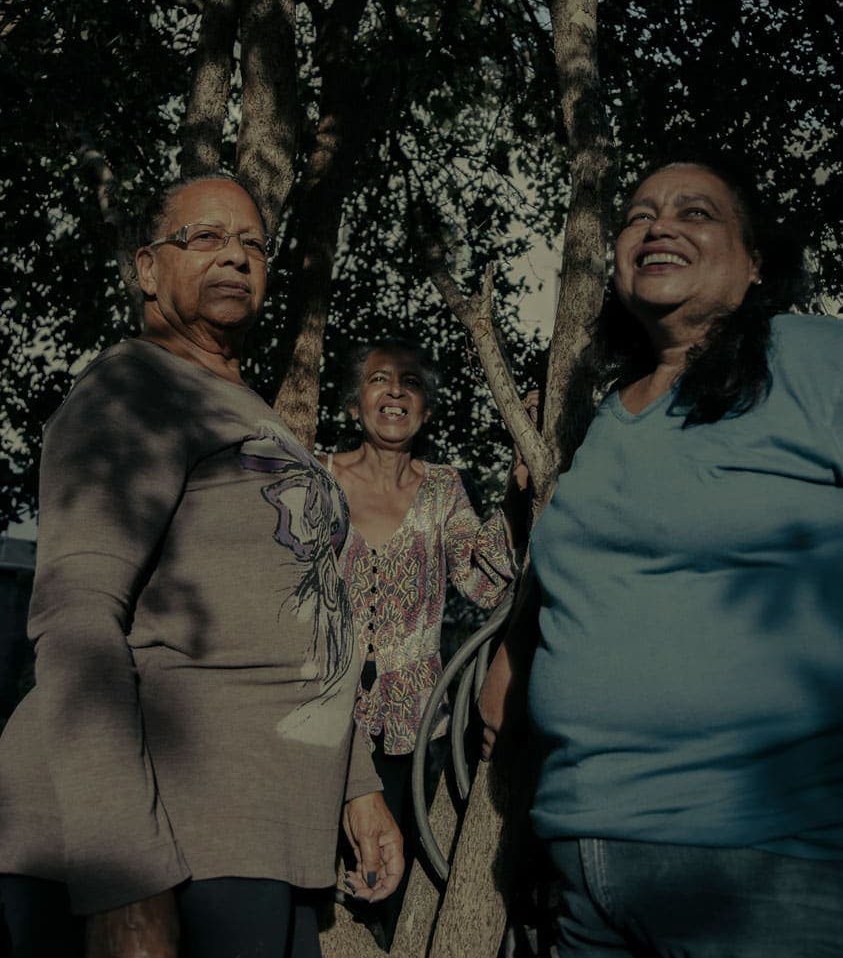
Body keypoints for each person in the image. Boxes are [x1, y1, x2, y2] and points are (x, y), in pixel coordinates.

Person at [0, 176, 402, 958]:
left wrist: (356, 784)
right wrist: (122, 874)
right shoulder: (134, 387)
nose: (237, 256)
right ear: (148, 268)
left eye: (253, 242)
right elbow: (76, 619)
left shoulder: (246, 407)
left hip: (253, 841)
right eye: (207, 237)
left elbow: (301, 607)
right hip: (162, 843)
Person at [480, 155, 843, 957]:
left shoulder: (812, 358)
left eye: (695, 212)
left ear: (754, 266)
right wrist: (514, 648)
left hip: (766, 869)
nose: (660, 224)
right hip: (583, 872)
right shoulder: (611, 415)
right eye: (639, 213)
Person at [322, 337, 528, 948]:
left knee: (394, 887)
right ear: (355, 402)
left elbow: (484, 582)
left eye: (409, 383)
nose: (394, 391)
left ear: (426, 410)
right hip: (323, 721)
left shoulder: (442, 488)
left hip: (419, 730)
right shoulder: (315, 475)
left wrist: (520, 490)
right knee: (319, 891)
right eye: (379, 379)